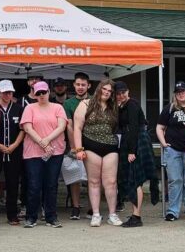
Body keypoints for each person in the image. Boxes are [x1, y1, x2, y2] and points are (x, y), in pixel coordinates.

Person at [73, 79, 122, 227]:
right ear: (99, 89)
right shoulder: (85, 104)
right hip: (90, 146)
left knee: (111, 182)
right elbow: (77, 128)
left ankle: (112, 214)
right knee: (94, 182)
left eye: (110, 91)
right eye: (105, 89)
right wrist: (79, 149)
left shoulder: (113, 107)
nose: (107, 92)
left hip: (111, 146)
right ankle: (95, 214)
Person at [20, 81, 67, 228]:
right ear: (34, 94)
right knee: (34, 185)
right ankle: (31, 217)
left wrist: (46, 140)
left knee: (51, 184)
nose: (41, 95)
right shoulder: (29, 108)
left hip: (55, 151)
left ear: (49, 92)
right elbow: (27, 128)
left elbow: (62, 126)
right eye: (38, 93)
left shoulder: (58, 107)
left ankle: (51, 217)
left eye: (44, 92)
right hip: (33, 152)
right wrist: (43, 142)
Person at [156, 81, 185, 222]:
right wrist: (164, 144)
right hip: (173, 150)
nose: (180, 94)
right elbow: (159, 127)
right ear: (175, 95)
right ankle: (173, 211)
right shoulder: (169, 109)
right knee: (175, 180)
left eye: (183, 91)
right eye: (177, 92)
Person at [114, 81, 154, 228]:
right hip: (130, 140)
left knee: (135, 179)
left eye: (123, 92)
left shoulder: (132, 104)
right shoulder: (122, 106)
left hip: (136, 141)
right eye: (118, 93)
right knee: (132, 178)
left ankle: (136, 216)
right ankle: (135, 214)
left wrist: (132, 151)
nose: (121, 95)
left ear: (128, 91)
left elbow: (134, 127)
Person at [0, 80, 25, 225]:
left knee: (12, 182)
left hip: (14, 151)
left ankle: (12, 214)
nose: (7, 95)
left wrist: (14, 145)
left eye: (10, 92)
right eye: (5, 92)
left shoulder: (19, 108)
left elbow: (23, 130)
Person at [63, 71, 91, 220]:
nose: (80, 87)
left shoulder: (94, 101)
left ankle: (93, 208)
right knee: (75, 177)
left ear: (88, 86)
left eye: (83, 85)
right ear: (74, 85)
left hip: (92, 143)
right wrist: (74, 147)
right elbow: (69, 126)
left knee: (92, 178)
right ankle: (75, 207)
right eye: (78, 84)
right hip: (75, 144)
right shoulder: (68, 103)